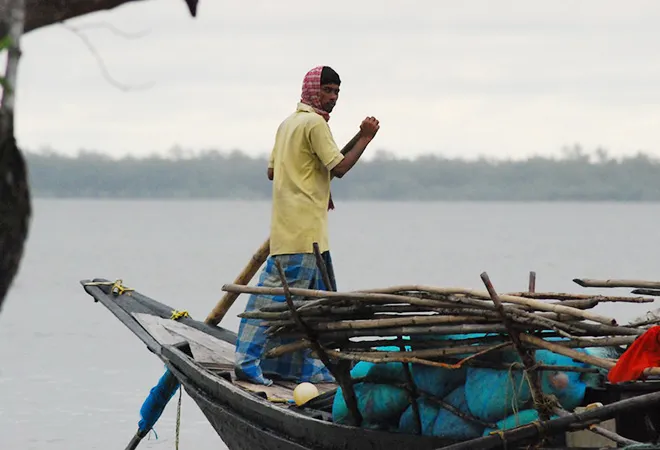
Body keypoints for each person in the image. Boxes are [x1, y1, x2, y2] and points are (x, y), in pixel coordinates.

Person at [234, 65, 380, 386]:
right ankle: (245, 361)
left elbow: (275, 172)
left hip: (300, 230)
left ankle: (296, 368)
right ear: (313, 90)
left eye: (337, 92)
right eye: (327, 91)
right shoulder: (314, 123)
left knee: (315, 303)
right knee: (274, 300)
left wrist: (314, 168)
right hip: (303, 233)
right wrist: (366, 138)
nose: (332, 98)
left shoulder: (289, 124)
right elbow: (339, 167)